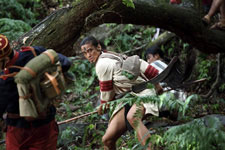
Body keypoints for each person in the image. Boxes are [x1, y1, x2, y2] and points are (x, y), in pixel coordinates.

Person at [80, 36, 166, 150]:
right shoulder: (111, 56)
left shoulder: (102, 64)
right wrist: (157, 84)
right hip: (128, 98)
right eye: (85, 53)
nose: (88, 55)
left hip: (143, 92)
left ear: (98, 47)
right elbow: (140, 63)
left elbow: (107, 93)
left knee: (133, 117)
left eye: (90, 50)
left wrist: (103, 105)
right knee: (107, 140)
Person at [0, 34, 71, 150]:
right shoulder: (35, 52)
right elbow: (65, 63)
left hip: (18, 133)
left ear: (5, 60)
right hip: (46, 124)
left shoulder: (4, 80)